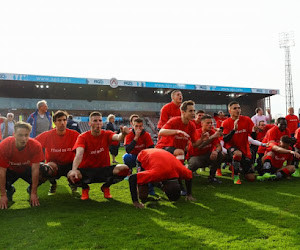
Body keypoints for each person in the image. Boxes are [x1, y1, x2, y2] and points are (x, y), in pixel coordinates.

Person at [67, 111, 130, 200]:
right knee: (71, 175)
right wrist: (74, 170)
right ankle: (85, 188)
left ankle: (106, 187)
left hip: (103, 169)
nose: (98, 123)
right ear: (89, 123)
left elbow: (118, 137)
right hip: (87, 171)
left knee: (124, 169)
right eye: (95, 121)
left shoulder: (106, 134)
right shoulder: (83, 137)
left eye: (100, 121)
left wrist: (123, 134)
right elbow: (79, 154)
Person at [128, 148, 195, 208]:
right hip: (144, 154)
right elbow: (132, 178)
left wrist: (189, 194)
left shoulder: (181, 171)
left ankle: (153, 184)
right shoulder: (157, 173)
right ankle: (147, 187)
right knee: (142, 195)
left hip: (160, 154)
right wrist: (135, 201)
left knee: (151, 179)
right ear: (163, 189)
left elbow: (189, 176)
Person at [35, 110, 80, 195]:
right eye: (59, 120)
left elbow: (85, 146)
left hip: (70, 164)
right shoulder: (47, 135)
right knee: (45, 168)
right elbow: (34, 144)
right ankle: (53, 184)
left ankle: (73, 184)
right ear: (54, 122)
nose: (62, 122)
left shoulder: (75, 135)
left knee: (80, 168)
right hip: (54, 165)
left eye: (64, 120)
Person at [0, 122, 44, 209]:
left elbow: (35, 169)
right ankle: (9, 189)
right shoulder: (4, 145)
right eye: (20, 135)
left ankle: (30, 189)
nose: (24, 138)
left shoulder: (36, 145)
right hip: (11, 170)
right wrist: (3, 195)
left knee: (45, 170)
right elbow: (2, 171)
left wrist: (34, 192)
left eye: (26, 135)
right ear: (14, 134)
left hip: (27, 170)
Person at [222, 101, 256, 184]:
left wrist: (254, 131)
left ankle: (236, 167)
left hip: (244, 148)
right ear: (230, 111)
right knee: (237, 154)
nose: (238, 110)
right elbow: (225, 139)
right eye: (235, 108)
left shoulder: (247, 119)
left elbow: (254, 137)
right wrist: (234, 130)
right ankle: (236, 176)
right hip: (231, 147)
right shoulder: (225, 122)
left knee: (251, 178)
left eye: (239, 108)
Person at [187, 114, 223, 183]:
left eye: (211, 123)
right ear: (202, 124)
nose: (210, 125)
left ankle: (212, 177)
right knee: (194, 163)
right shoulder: (197, 132)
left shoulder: (212, 132)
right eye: (208, 123)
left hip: (207, 155)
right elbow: (199, 147)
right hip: (195, 156)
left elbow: (219, 146)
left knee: (220, 155)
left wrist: (216, 151)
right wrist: (211, 137)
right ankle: (187, 172)